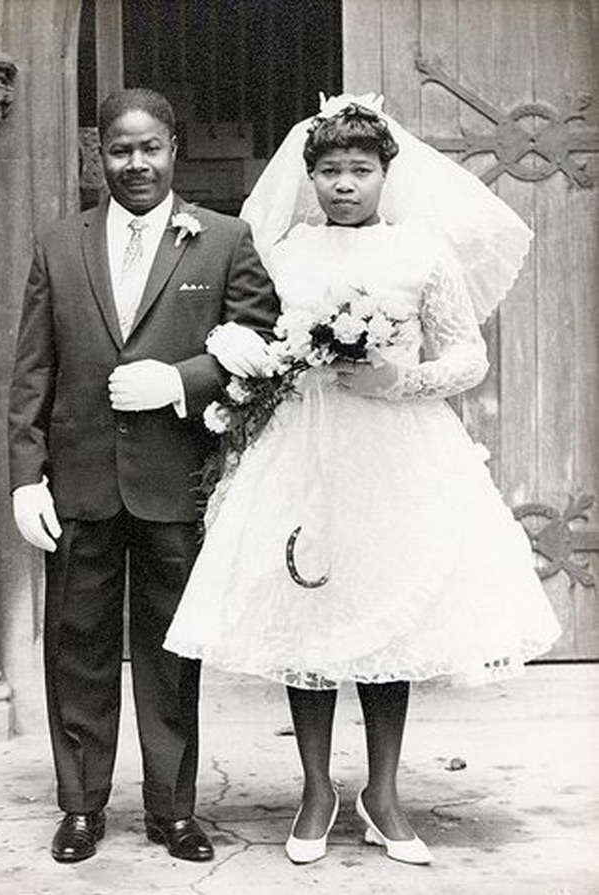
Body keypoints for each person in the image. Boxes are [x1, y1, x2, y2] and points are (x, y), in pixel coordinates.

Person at [164, 94, 561, 866]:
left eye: (361, 170)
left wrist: (395, 379)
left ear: (386, 174)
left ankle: (382, 791)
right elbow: (259, 339)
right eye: (331, 171)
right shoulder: (286, 252)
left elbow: (467, 357)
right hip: (304, 447)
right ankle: (317, 788)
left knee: (386, 612)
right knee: (309, 614)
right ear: (309, 177)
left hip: (395, 449)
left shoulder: (420, 253)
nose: (345, 185)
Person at [8, 87, 279, 864]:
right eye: (119, 150)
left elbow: (264, 348)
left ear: (173, 149)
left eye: (149, 147)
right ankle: (82, 806)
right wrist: (28, 475)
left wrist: (182, 381)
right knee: (78, 646)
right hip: (81, 483)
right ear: (99, 155)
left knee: (170, 653)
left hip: (175, 481)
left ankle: (174, 809)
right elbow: (33, 370)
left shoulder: (224, 240)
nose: (135, 164)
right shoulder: (59, 243)